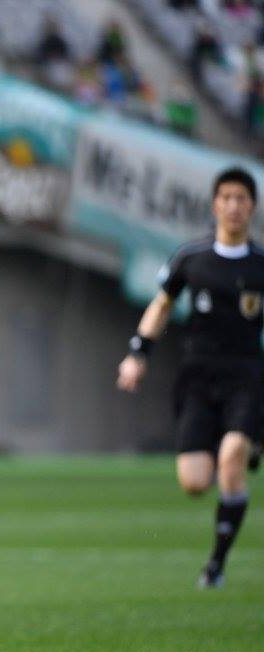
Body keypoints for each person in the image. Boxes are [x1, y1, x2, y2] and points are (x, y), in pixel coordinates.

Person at [117, 167, 263, 589]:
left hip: (246, 376)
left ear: (251, 207)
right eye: (227, 197)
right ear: (215, 204)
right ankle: (241, 449)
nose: (234, 206)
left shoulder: (260, 266)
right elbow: (162, 306)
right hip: (197, 377)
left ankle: (215, 566)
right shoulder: (191, 258)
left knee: (232, 458)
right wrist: (137, 354)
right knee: (196, 483)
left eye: (242, 198)